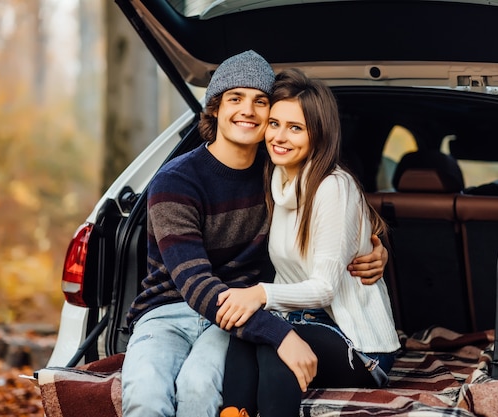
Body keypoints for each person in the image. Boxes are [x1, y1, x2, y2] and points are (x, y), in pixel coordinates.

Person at [121, 50, 387, 417]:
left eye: (260, 101)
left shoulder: (279, 170)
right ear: (214, 107)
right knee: (145, 396)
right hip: (170, 310)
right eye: (235, 98)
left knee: (199, 389)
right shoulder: (174, 180)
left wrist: (376, 251)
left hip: (237, 319)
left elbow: (348, 217)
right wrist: (281, 335)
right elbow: (196, 283)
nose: (247, 110)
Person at [217, 68, 401, 417]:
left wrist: (259, 294)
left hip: (360, 344)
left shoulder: (333, 186)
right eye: (274, 123)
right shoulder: (275, 177)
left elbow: (324, 289)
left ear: (319, 134)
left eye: (296, 128)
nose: (280, 137)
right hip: (302, 319)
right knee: (250, 329)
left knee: (277, 338)